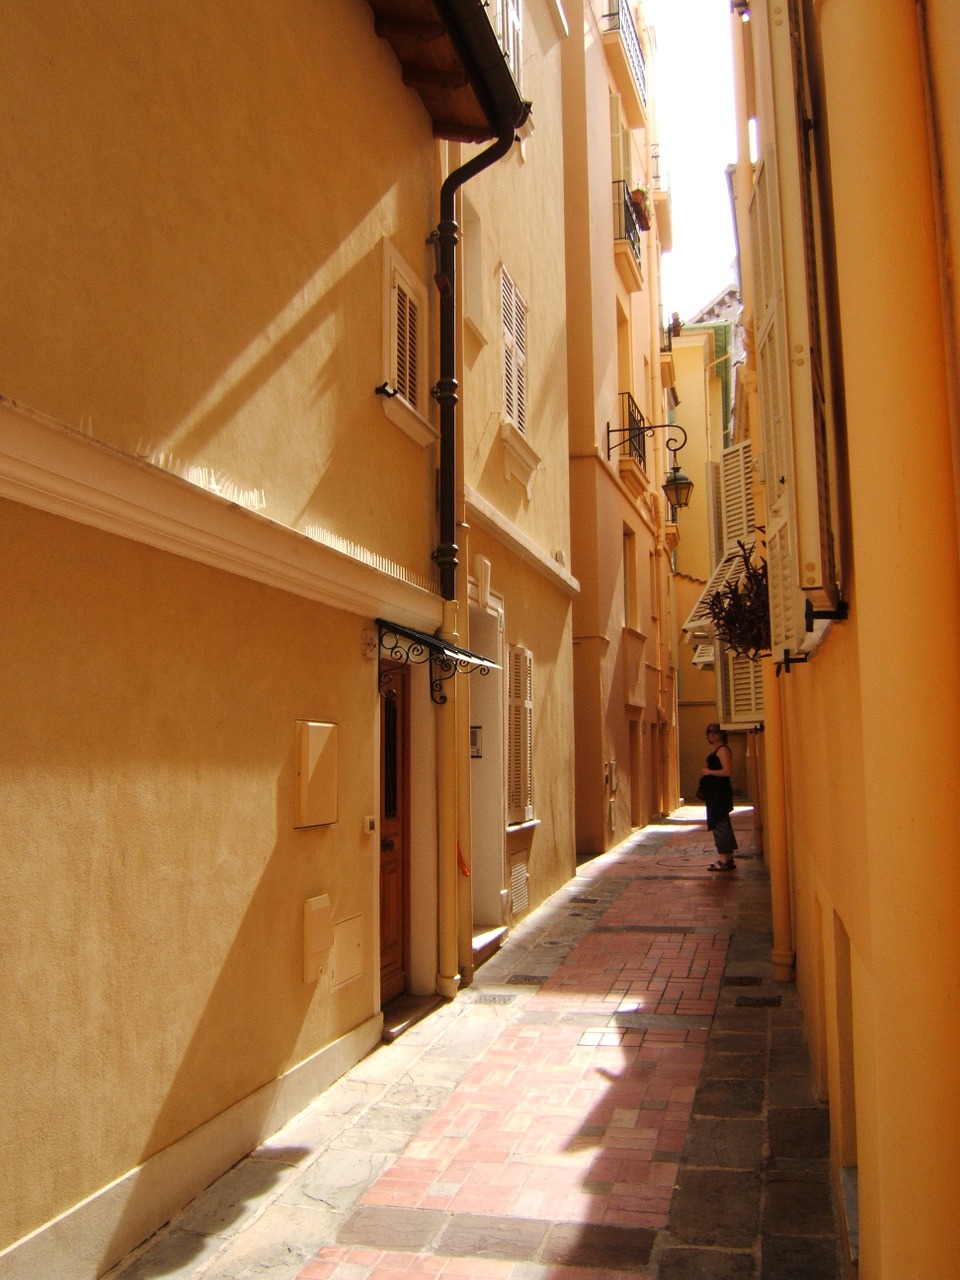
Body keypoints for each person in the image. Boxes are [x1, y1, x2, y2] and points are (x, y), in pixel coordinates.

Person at [699, 722, 738, 871]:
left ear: (721, 734)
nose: (711, 734)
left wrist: (709, 772)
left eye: (714, 731)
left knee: (719, 823)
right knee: (722, 823)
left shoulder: (722, 750)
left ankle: (723, 859)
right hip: (715, 792)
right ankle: (727, 858)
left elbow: (727, 771)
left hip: (720, 792)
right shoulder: (717, 750)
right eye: (709, 732)